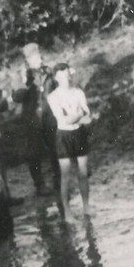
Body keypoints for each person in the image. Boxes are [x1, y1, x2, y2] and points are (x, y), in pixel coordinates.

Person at [46, 62, 94, 222]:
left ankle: (86, 207)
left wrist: (78, 116)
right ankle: (67, 212)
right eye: (62, 76)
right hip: (63, 136)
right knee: (65, 175)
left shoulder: (78, 92)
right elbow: (64, 120)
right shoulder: (53, 97)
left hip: (79, 133)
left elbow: (88, 115)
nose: (66, 79)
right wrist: (79, 115)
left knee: (83, 172)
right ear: (56, 78)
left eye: (67, 75)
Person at [12, 42, 57, 197]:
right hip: (31, 119)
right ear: (28, 60)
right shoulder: (21, 75)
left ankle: (58, 179)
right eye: (35, 57)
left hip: (49, 115)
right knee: (34, 152)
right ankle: (40, 185)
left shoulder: (48, 71)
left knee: (55, 147)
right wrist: (26, 82)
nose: (39, 59)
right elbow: (16, 97)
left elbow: (55, 89)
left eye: (39, 55)